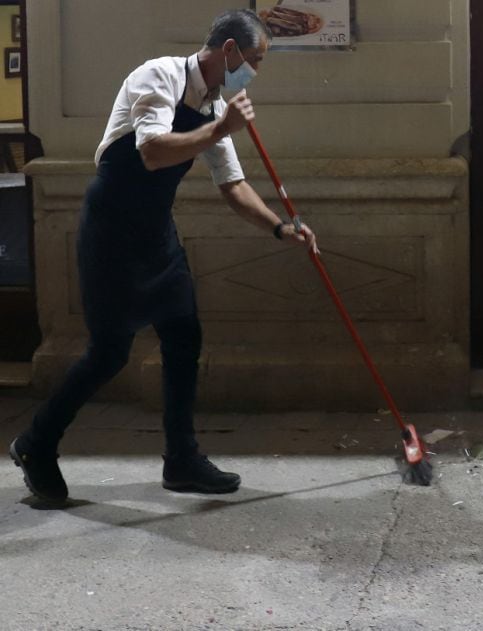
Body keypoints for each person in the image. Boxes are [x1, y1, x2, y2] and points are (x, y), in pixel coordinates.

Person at [9, 9, 317, 503]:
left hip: (156, 232)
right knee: (108, 354)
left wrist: (282, 229)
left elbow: (233, 186)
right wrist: (220, 131)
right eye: (255, 59)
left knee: (183, 336)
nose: (255, 71)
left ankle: (181, 460)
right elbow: (152, 151)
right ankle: (36, 443)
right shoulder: (158, 75)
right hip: (111, 227)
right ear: (230, 51)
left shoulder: (216, 107)